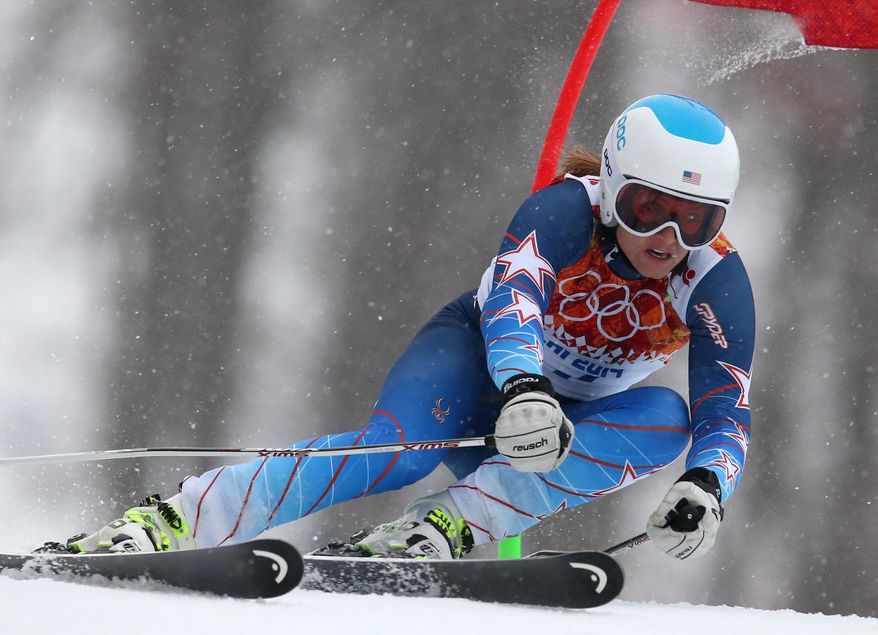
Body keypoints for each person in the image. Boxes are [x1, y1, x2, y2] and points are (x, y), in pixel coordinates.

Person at [66, 94, 754, 562]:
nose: (666, 236)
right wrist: (521, 385)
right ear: (612, 184)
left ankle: (445, 525)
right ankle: (175, 520)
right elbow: (513, 301)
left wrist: (707, 485)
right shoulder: (565, 210)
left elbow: (727, 411)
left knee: (669, 417)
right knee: (396, 453)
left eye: (694, 219)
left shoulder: (715, 281)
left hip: (563, 426)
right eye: (646, 207)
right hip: (480, 364)